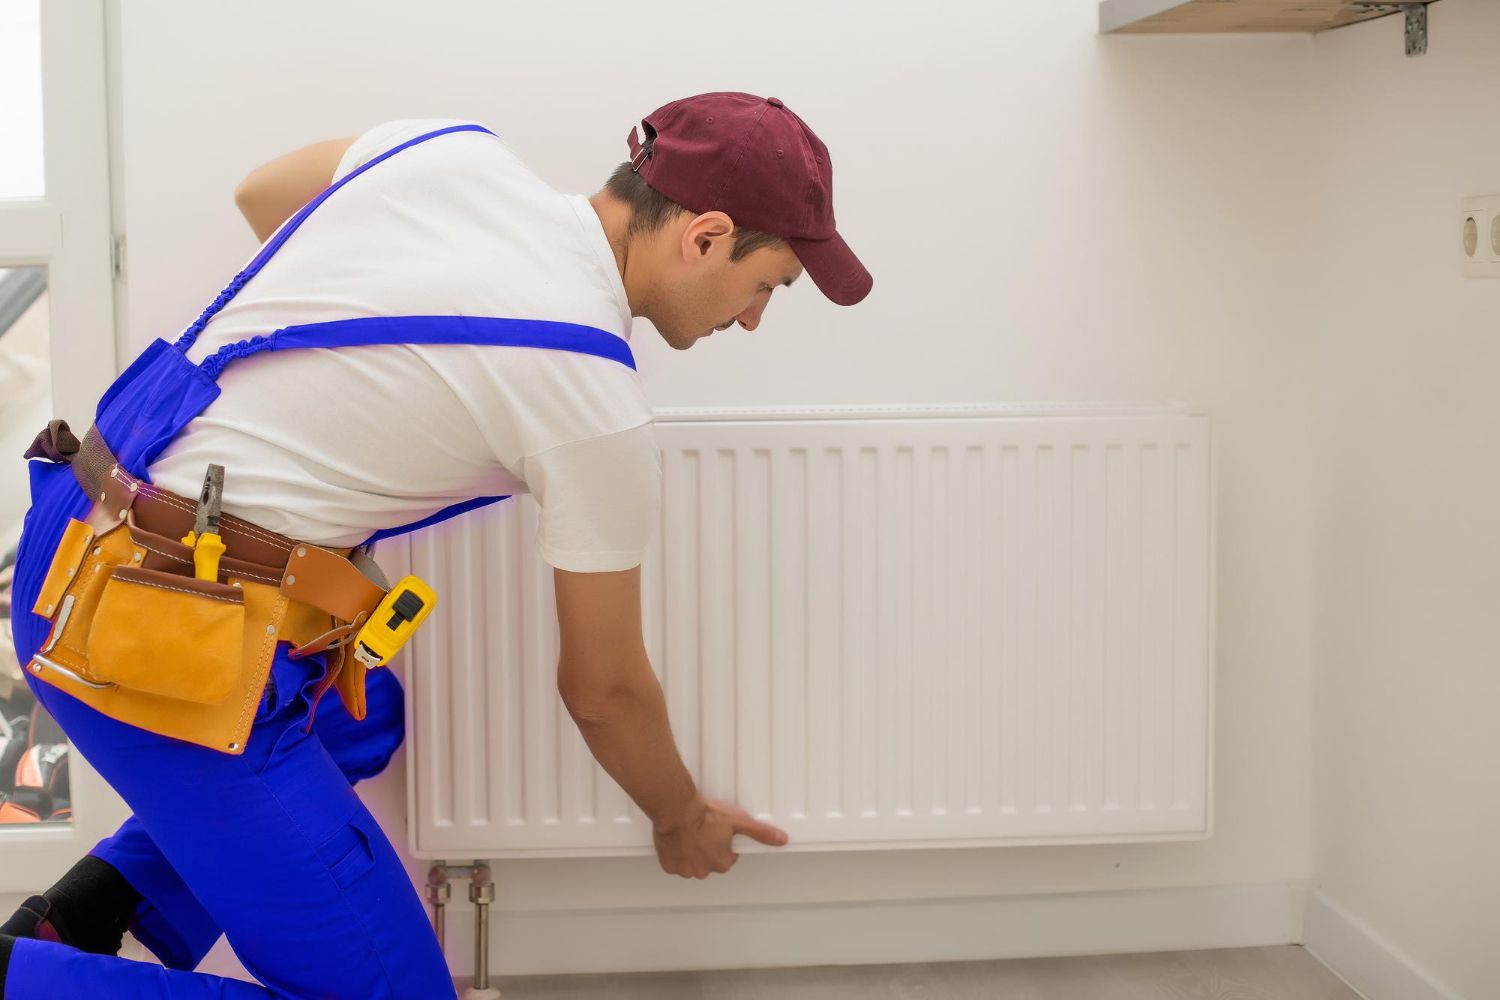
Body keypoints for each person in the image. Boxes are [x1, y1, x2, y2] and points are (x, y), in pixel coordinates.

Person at [0, 91, 871, 997]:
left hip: (78, 520)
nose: (758, 315)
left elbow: (265, 194)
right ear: (705, 236)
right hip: (150, 630)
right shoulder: (590, 394)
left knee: (361, 716)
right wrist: (677, 815)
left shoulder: (451, 152)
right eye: (767, 284)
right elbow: (604, 689)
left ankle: (86, 913)